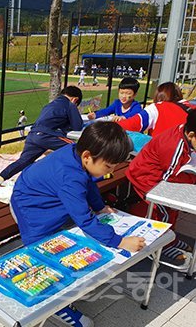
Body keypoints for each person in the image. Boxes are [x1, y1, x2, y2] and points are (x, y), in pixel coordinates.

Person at [11, 122, 144, 327]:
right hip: (32, 210)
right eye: (109, 166)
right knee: (42, 257)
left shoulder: (77, 154)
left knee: (65, 248)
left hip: (47, 200)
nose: (112, 170)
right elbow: (85, 219)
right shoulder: (70, 177)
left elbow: (88, 181)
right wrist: (119, 241)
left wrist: (100, 207)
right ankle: (56, 306)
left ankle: (66, 288)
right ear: (87, 156)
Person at [125, 110, 196, 266]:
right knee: (163, 209)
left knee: (172, 209)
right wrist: (192, 179)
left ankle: (169, 238)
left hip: (158, 174)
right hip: (146, 177)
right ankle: (162, 245)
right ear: (190, 134)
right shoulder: (174, 146)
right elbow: (167, 180)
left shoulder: (184, 136)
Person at [0, 86, 84, 181]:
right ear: (75, 99)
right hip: (47, 135)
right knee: (78, 149)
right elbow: (78, 126)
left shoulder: (50, 105)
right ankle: (81, 178)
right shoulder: (70, 104)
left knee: (23, 161)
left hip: (33, 134)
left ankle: (1, 177)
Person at [118, 82, 196, 137]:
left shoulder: (157, 108)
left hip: (163, 155)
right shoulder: (192, 107)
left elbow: (129, 125)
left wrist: (108, 124)